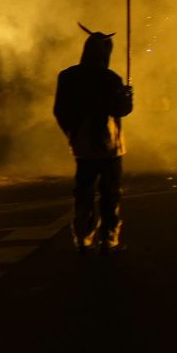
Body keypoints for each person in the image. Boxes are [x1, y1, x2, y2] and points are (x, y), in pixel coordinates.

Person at [53, 24, 133, 253]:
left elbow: (60, 110)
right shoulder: (110, 78)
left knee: (84, 192)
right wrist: (127, 97)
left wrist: (72, 133)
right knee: (110, 193)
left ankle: (82, 236)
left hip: (83, 145)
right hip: (110, 146)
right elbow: (121, 111)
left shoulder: (68, 77)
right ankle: (109, 238)